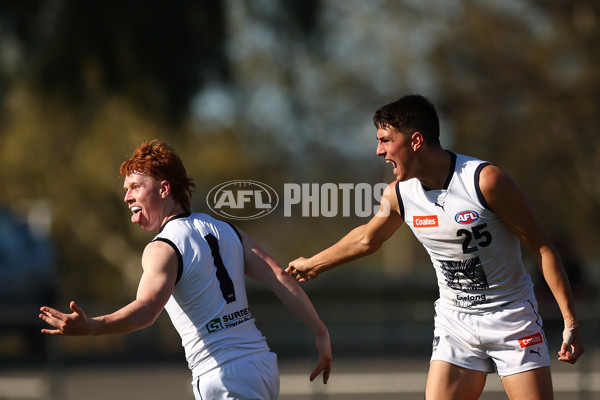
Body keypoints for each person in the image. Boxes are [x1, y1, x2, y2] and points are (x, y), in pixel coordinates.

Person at [286, 95, 583, 400]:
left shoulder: (485, 181)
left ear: (415, 141)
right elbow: (367, 239)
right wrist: (313, 264)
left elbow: (543, 249)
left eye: (386, 140)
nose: (379, 151)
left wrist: (570, 322)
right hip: (455, 323)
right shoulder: (399, 194)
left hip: (511, 318)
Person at [39, 140, 332, 400]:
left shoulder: (162, 247)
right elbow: (278, 275)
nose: (127, 197)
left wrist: (92, 326)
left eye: (135, 187)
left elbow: (147, 310)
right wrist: (319, 331)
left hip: (223, 375)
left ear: (164, 189)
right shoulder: (225, 229)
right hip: (262, 366)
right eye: (126, 190)